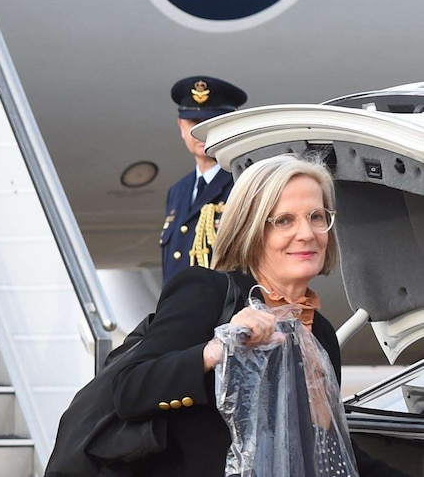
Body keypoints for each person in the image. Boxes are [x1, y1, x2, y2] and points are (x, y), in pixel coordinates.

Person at [115, 154, 408, 476]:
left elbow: (329, 446)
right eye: (284, 220)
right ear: (252, 229)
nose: (307, 233)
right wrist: (217, 348)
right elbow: (131, 389)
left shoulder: (320, 333)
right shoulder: (210, 292)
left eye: (316, 216)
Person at [160, 75, 247, 283]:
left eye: (210, 122)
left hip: (226, 311)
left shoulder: (245, 181)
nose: (201, 132)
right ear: (181, 126)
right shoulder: (178, 190)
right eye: (194, 123)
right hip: (179, 310)